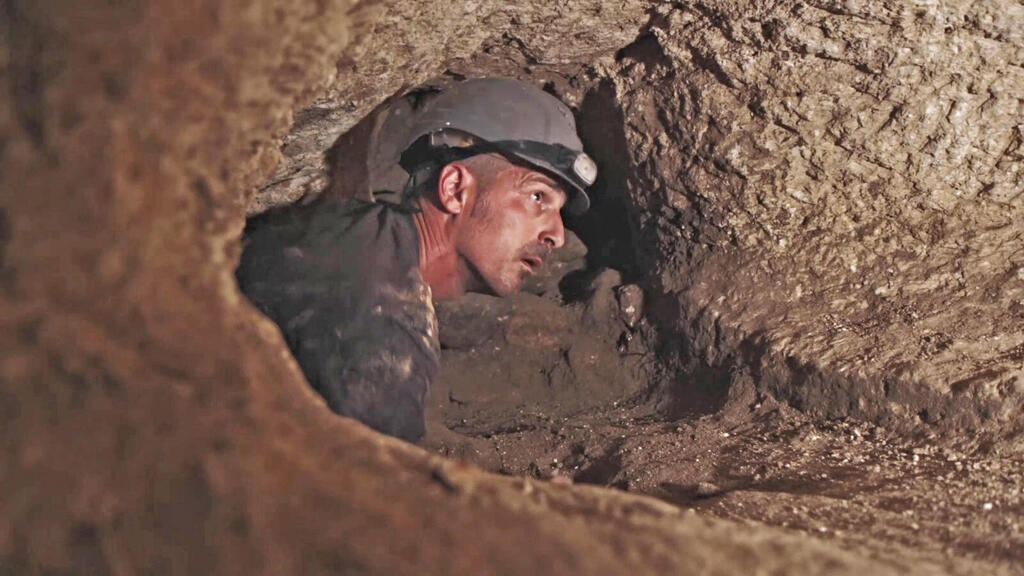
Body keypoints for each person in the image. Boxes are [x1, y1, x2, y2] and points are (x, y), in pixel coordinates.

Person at [236, 78, 598, 442]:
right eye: (538, 197)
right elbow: (365, 491)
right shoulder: (385, 320)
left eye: (559, 210)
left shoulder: (359, 236)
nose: (558, 234)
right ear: (455, 189)